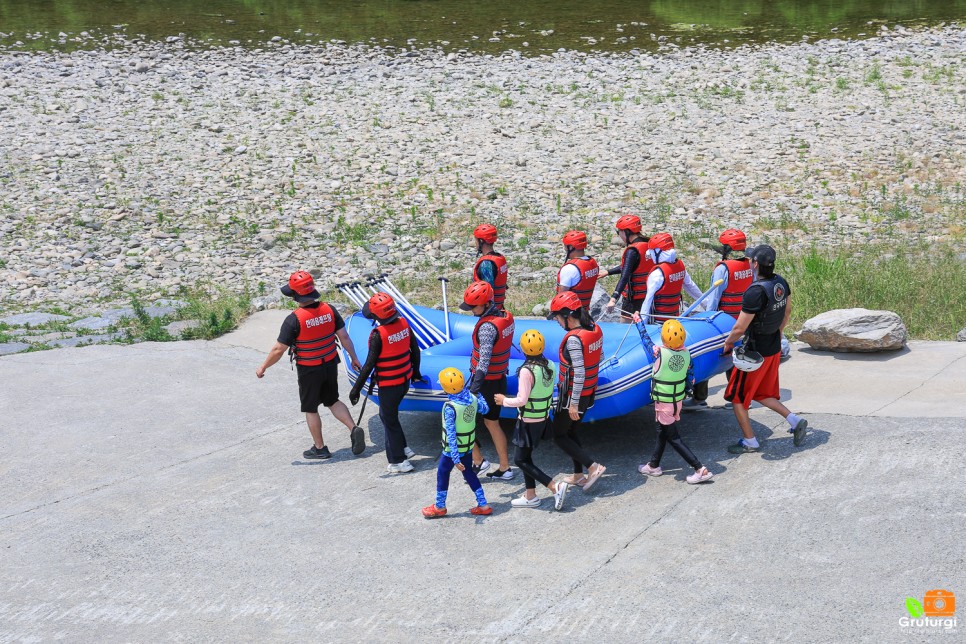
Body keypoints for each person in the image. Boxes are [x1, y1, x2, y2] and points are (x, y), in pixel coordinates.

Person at [256, 271, 365, 460]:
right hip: (330, 362)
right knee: (332, 400)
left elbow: (278, 349)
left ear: (295, 295)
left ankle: (320, 448)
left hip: (309, 369)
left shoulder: (294, 319)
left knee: (310, 408)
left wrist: (263, 367)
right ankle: (353, 427)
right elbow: (344, 337)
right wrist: (354, 358)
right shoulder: (329, 309)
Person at [722, 245, 808, 453]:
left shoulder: (755, 291)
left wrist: (727, 344)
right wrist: (778, 332)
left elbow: (740, 327)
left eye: (751, 260)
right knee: (761, 393)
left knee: (737, 398)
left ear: (755, 264)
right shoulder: (780, 282)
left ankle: (750, 441)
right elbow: (787, 312)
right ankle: (795, 421)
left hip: (754, 354)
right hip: (773, 348)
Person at [632, 315, 714, 484]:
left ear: (663, 338)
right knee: (662, 431)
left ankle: (700, 469)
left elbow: (646, 340)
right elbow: (690, 376)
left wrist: (639, 322)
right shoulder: (687, 355)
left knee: (673, 437)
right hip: (676, 401)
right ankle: (653, 465)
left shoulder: (658, 353)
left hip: (664, 403)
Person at [494, 329, 570, 511]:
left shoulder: (527, 371)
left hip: (528, 421)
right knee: (526, 457)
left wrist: (503, 400)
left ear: (522, 349)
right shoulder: (550, 364)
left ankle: (554, 486)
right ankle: (530, 496)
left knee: (520, 460)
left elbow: (521, 400)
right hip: (543, 418)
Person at [348, 292, 422, 474]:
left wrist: (356, 389)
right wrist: (416, 372)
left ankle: (399, 461)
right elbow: (415, 349)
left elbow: (369, 365)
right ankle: (404, 448)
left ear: (376, 316)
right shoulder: (404, 323)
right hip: (404, 380)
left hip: (389, 385)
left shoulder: (377, 335)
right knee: (389, 416)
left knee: (389, 419)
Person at [685, 228, 755, 410]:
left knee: (706, 356)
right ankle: (737, 398)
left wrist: (706, 320)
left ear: (727, 249)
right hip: (744, 321)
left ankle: (699, 398)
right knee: (738, 359)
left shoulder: (723, 269)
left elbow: (714, 298)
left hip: (723, 322)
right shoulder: (750, 265)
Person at [547, 291, 607, 491]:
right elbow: (600, 356)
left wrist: (572, 402)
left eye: (556, 316)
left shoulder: (574, 340)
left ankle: (593, 467)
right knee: (571, 431)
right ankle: (578, 475)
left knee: (559, 435)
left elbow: (579, 372)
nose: (556, 321)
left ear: (568, 316)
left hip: (573, 396)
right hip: (588, 393)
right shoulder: (594, 329)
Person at [459, 281, 515, 479]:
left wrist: (473, 389)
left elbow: (483, 361)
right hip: (499, 379)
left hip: (485, 382)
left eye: (474, 306)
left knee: (459, 420)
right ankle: (505, 468)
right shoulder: (505, 317)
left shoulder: (487, 328)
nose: (471, 310)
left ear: (485, 303)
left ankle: (478, 461)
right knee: (492, 422)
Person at [422, 368, 493, 518]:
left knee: (442, 473)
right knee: (469, 474)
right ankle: (483, 504)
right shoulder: (472, 398)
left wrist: (455, 458)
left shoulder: (450, 407)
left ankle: (440, 506)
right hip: (468, 446)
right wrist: (479, 395)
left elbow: (451, 434)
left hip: (452, 451)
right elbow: (485, 409)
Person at [639, 232, 704, 324]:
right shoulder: (680, 267)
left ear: (658, 252)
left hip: (658, 323)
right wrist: (706, 303)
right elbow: (691, 286)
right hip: (674, 320)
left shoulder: (657, 274)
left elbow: (647, 301)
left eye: (652, 253)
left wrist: (642, 323)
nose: (651, 257)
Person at [605, 214, 652, 317]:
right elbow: (633, 266)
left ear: (626, 231)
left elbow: (625, 276)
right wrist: (608, 272)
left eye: (619, 232)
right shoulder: (649, 244)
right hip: (650, 297)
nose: (619, 236)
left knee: (627, 328)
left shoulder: (632, 251)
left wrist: (613, 299)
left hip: (633, 300)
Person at [556, 230, 600, 311]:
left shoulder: (569, 268)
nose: (564, 248)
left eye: (565, 246)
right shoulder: (593, 263)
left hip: (571, 315)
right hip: (585, 312)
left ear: (571, 247)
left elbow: (561, 297)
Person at [472, 223, 508, 310]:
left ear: (481, 241)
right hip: (499, 307)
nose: (475, 243)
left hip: (489, 312)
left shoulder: (486, 264)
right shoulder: (499, 258)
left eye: (476, 240)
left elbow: (487, 294)